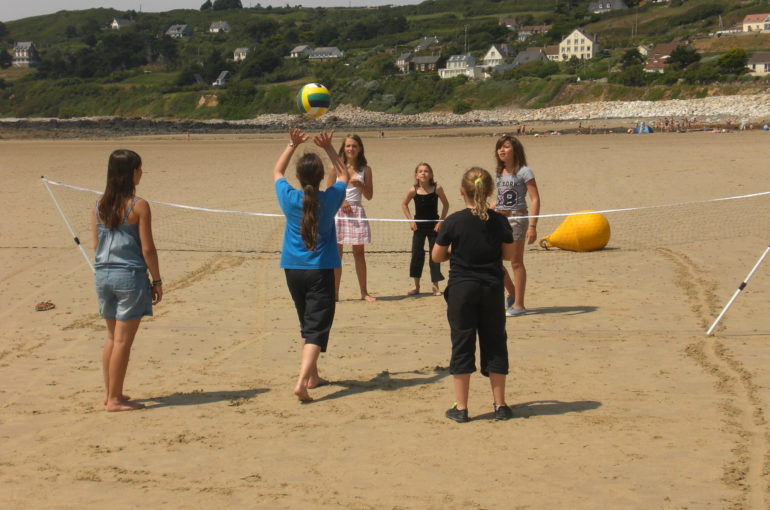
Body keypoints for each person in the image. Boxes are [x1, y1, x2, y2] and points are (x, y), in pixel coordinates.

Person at [432, 167, 515, 423]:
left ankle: (462, 407)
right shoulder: (499, 220)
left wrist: (454, 254)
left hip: (462, 290)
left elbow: (436, 256)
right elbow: (509, 255)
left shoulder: (454, 221)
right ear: (489, 191)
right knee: (495, 342)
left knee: (462, 342)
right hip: (490, 288)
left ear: (461, 192)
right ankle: (500, 405)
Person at [274, 128, 349, 402]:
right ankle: (302, 381)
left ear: (300, 177)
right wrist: (330, 148)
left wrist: (291, 145)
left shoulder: (290, 197)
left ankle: (314, 376)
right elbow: (344, 176)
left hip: (293, 270)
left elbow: (277, 173)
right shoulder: (328, 199)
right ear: (319, 177)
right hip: (319, 270)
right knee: (317, 327)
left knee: (307, 323)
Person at [91, 149, 162, 412]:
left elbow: (96, 244)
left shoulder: (99, 204)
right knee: (122, 340)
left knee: (112, 337)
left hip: (103, 274)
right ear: (131, 172)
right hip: (128, 275)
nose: (141, 173)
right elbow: (148, 249)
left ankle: (111, 392)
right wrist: (157, 280)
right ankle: (114, 399)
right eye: (139, 169)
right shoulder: (138, 205)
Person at [492, 134, 541, 317]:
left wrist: (533, 226)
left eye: (505, 147)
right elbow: (502, 197)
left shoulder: (524, 171)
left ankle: (519, 304)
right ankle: (512, 293)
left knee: (516, 261)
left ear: (515, 150)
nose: (502, 150)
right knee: (495, 260)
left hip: (517, 219)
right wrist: (490, 206)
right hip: (499, 219)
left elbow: (535, 198)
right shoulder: (499, 172)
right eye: (499, 147)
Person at [326, 134, 375, 302]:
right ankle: (335, 293)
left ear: (360, 148)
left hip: (357, 212)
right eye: (348, 146)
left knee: (359, 254)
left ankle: (364, 292)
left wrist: (360, 184)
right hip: (339, 212)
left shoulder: (366, 169)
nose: (351, 149)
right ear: (343, 148)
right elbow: (329, 190)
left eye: (354, 146)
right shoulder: (336, 168)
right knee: (336, 254)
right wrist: (342, 201)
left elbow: (369, 196)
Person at [400, 162, 449, 296]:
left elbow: (446, 205)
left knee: (435, 255)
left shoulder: (437, 188)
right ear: (416, 175)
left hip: (434, 226)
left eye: (426, 171)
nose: (423, 173)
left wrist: (441, 222)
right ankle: (416, 286)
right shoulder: (413, 190)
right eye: (420, 171)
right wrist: (411, 221)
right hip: (419, 227)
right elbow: (404, 205)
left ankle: (435, 286)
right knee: (417, 254)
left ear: (431, 174)